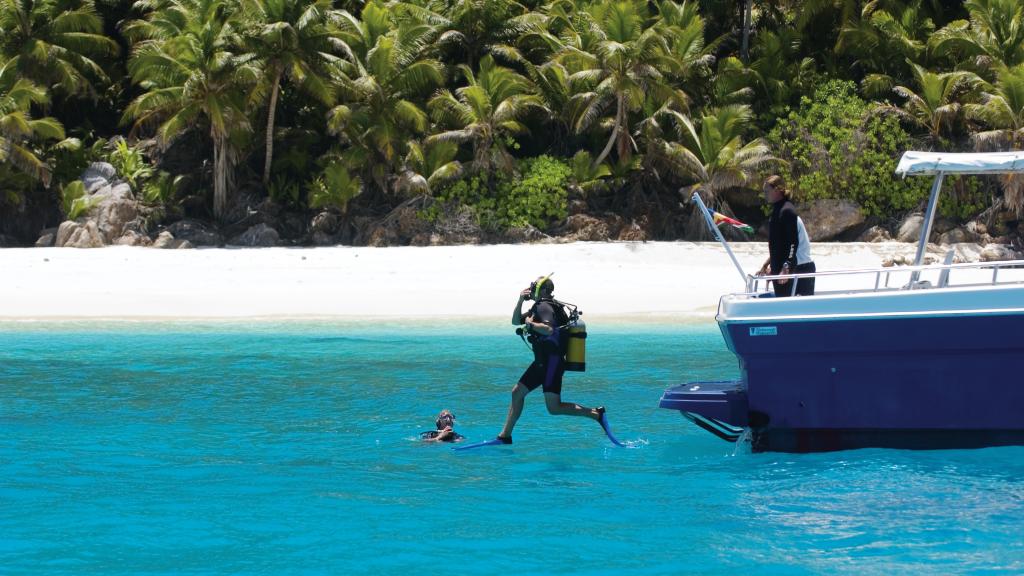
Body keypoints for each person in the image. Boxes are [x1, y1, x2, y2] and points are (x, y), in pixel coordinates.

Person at [493, 275, 606, 444]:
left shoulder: (543, 306)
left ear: (543, 290)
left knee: (554, 407)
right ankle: (505, 436)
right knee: (517, 392)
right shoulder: (545, 307)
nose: (531, 290)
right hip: (543, 362)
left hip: (551, 363)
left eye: (534, 287)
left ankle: (596, 414)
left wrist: (531, 325)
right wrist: (520, 301)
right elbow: (515, 321)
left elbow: (549, 329)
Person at [757, 175, 816, 297]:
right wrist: (768, 265)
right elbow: (779, 245)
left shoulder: (787, 211)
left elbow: (793, 243)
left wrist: (786, 267)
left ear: (777, 190)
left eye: (767, 191)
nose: (765, 194)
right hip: (783, 268)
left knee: (797, 311)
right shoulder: (777, 211)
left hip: (799, 267)